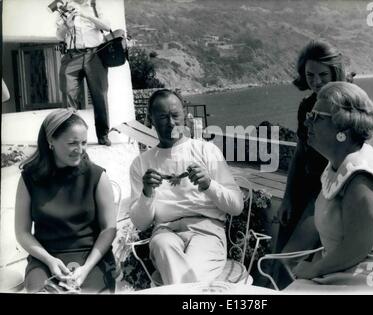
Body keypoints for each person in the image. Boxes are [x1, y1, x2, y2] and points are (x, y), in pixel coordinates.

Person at [284, 82, 373, 291]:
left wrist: (314, 269)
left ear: (341, 128)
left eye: (315, 117)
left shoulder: (360, 175)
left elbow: (357, 246)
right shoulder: (338, 165)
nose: (307, 122)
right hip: (351, 269)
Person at [129, 89, 243, 285]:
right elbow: (141, 223)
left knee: (185, 280)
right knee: (164, 246)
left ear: (184, 115)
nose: (171, 123)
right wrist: (147, 193)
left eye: (175, 115)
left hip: (206, 231)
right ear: (151, 120)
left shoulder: (206, 150)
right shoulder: (141, 163)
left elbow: (236, 206)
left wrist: (209, 185)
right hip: (165, 232)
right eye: (163, 117)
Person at [15, 108, 117, 293]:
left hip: (92, 259)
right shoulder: (29, 178)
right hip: (45, 259)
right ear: (51, 141)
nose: (80, 149)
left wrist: (85, 269)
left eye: (84, 142)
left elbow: (108, 230)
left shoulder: (97, 176)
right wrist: (49, 260)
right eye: (72, 143)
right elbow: (22, 232)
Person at [277, 40, 348, 255]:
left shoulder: (349, 105)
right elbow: (300, 153)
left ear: (335, 72)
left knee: (291, 256)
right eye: (310, 76)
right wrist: (288, 197)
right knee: (280, 250)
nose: (316, 82)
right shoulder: (306, 106)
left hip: (332, 193)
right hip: (305, 188)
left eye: (323, 75)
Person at [55, 0, 112, 146]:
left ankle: (103, 135)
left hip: (95, 55)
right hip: (71, 55)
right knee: (68, 94)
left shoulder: (94, 4)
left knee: (100, 95)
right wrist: (67, 26)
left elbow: (107, 26)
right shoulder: (64, 6)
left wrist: (87, 15)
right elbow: (59, 37)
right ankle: (71, 135)